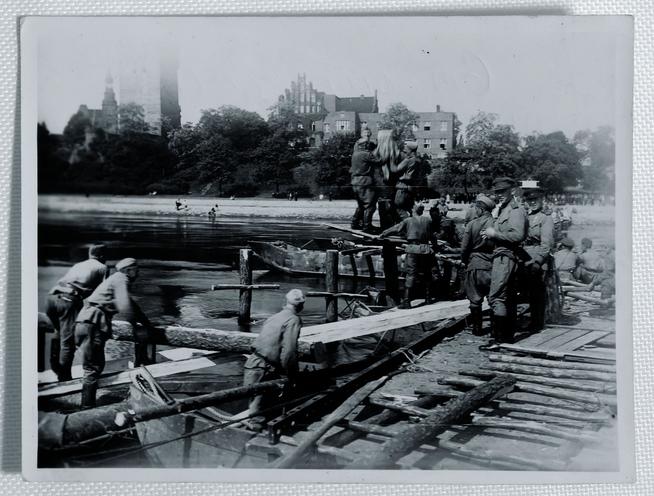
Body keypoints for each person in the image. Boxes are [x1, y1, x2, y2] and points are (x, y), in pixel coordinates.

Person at [74, 258, 155, 408]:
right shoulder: (121, 279)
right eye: (136, 269)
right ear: (129, 270)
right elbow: (125, 306)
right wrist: (136, 327)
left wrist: (146, 323)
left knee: (93, 367)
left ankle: (87, 404)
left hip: (85, 323)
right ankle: (86, 409)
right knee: (92, 368)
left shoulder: (115, 280)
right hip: (93, 324)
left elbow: (132, 306)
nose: (138, 273)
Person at [242, 289, 305, 429]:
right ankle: (256, 440)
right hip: (264, 369)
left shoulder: (275, 316)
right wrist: (292, 374)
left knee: (255, 406)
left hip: (253, 363)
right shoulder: (294, 319)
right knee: (257, 415)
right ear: (301, 305)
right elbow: (289, 351)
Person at [45, 244, 109, 381]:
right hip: (68, 299)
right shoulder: (102, 267)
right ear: (102, 256)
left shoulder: (79, 264)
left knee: (59, 333)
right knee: (68, 342)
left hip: (51, 298)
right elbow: (102, 293)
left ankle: (55, 366)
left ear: (90, 254)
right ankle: (64, 378)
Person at [479, 177, 528, 348]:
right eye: (497, 192)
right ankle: (505, 338)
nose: (499, 195)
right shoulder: (505, 209)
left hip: (506, 257)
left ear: (512, 191)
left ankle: (500, 340)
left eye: (502, 192)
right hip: (502, 255)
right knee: (506, 298)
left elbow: (518, 235)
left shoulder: (515, 210)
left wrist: (494, 234)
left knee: (496, 297)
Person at [380, 203, 433, 308]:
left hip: (413, 249)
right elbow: (432, 235)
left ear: (413, 210)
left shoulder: (408, 220)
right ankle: (428, 298)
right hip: (425, 249)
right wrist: (435, 245)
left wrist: (384, 233)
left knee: (410, 274)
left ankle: (406, 301)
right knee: (427, 273)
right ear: (422, 211)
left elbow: (397, 228)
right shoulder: (428, 221)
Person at [460, 194, 496, 336]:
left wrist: (464, 260)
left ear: (480, 209)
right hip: (492, 265)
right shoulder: (496, 223)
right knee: (494, 300)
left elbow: (464, 248)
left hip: (474, 265)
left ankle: (477, 329)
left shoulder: (471, 225)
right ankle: (495, 330)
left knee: (475, 300)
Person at [521, 187, 555, 331]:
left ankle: (537, 323)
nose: (533, 203)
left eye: (536, 200)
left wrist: (538, 261)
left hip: (536, 258)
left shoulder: (545, 218)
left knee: (537, 292)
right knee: (526, 291)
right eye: (530, 200)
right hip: (523, 257)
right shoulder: (524, 216)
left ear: (542, 200)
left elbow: (546, 244)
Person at [349, 133, 381, 233]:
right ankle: (367, 226)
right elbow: (379, 161)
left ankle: (354, 223)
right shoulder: (366, 154)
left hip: (355, 181)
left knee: (360, 205)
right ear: (364, 145)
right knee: (370, 206)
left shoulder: (355, 154)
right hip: (364, 181)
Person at [373, 129, 402, 229]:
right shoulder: (397, 155)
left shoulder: (375, 155)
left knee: (385, 217)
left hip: (382, 189)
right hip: (394, 189)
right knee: (394, 214)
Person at [393, 141, 420, 219]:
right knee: (410, 209)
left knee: (399, 208)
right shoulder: (417, 160)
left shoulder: (409, 160)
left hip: (403, 187)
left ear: (410, 150)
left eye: (405, 150)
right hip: (411, 188)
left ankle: (409, 225)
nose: (404, 151)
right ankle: (416, 225)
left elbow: (395, 169)